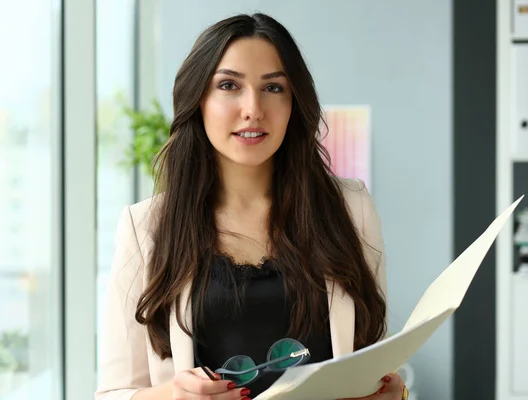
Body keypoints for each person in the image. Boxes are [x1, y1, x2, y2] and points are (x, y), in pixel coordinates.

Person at [95, 12, 407, 400]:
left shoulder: (351, 208)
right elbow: (113, 393)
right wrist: (172, 396)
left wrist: (392, 394)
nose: (253, 108)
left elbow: (374, 357)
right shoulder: (145, 229)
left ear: (294, 102)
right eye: (229, 85)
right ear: (199, 100)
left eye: (273, 88)